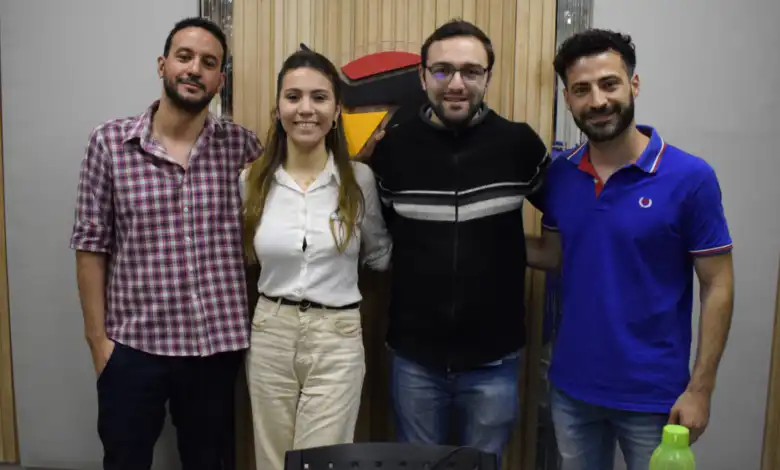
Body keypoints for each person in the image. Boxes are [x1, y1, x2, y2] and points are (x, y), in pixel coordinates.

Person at [526, 29, 735, 470]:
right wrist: (476, 234)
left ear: (633, 85)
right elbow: (555, 255)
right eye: (582, 89)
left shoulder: (690, 178)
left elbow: (717, 284)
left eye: (609, 84)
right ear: (568, 99)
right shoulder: (561, 175)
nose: (598, 101)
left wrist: (700, 389)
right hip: (571, 390)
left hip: (654, 398)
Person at [69, 17, 261, 470]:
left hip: (216, 347)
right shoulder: (110, 143)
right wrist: (98, 343)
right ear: (163, 65)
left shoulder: (242, 148)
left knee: (209, 462)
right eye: (184, 57)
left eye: (209, 63)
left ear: (220, 80)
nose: (195, 69)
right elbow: (91, 246)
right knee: (125, 460)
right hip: (134, 346)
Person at [367, 19, 550, 462]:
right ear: (422, 76)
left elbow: (566, 211)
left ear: (488, 76)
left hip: (494, 358)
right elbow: (384, 236)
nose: (456, 84)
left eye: (471, 71)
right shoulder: (392, 150)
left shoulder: (519, 144)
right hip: (414, 357)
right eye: (442, 70)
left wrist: (521, 248)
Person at [240, 49, 392, 470]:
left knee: (322, 462)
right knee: (272, 460)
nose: (306, 109)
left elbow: (379, 255)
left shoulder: (358, 181)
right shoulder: (252, 181)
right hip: (271, 331)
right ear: (278, 109)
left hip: (337, 336)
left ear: (337, 110)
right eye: (293, 97)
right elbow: (246, 253)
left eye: (319, 97)